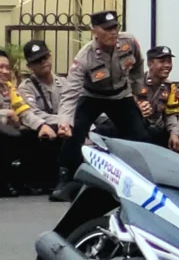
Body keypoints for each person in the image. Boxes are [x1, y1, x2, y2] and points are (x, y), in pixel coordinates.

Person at [51, 11, 149, 202]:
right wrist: (64, 121)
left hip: (121, 95)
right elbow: (70, 93)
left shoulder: (129, 41)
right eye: (107, 29)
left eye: (115, 28)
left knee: (140, 135)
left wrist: (138, 93)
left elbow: (138, 65)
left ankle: (140, 178)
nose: (113, 33)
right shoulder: (84, 57)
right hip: (92, 96)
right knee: (75, 131)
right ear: (94, 31)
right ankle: (66, 179)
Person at [0, 48, 58, 196]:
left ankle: (27, 180)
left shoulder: (7, 87)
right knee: (3, 132)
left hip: (4, 129)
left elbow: (23, 110)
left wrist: (42, 125)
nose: (5, 71)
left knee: (30, 133)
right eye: (1, 67)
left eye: (7, 68)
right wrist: (5, 114)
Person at [17, 40, 68, 192]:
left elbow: (73, 105)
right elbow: (32, 112)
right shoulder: (26, 87)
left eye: (45, 58)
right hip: (41, 132)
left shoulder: (63, 83)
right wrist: (63, 120)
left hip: (63, 127)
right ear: (29, 66)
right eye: (37, 61)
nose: (43, 63)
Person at [134, 46, 179, 151]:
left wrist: (174, 134)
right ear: (149, 64)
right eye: (162, 61)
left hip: (157, 130)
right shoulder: (136, 83)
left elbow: (171, 114)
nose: (167, 65)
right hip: (137, 128)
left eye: (169, 62)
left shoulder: (170, 87)